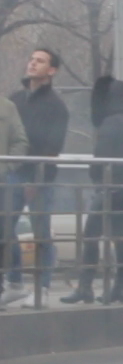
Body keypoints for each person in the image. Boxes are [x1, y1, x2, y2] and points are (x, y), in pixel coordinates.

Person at [71, 78, 123, 305]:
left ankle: (85, 286)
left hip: (109, 189)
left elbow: (100, 159)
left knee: (91, 235)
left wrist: (96, 177)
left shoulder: (108, 124)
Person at [6, 49, 68, 302]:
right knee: (3, 228)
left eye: (40, 61)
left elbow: (52, 147)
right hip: (11, 173)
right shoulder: (16, 99)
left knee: (40, 231)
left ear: (51, 71)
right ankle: (14, 283)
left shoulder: (56, 105)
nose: (32, 63)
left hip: (39, 177)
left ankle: (42, 287)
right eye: (31, 59)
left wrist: (37, 179)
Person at [0, 82, 27, 307]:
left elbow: (21, 141)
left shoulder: (7, 108)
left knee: (4, 231)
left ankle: (14, 282)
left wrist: (5, 167)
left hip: (1, 180)